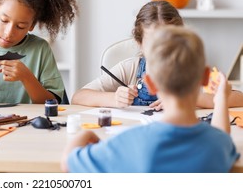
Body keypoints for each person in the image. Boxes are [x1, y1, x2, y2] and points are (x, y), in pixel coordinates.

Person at [62, 25, 240, 172]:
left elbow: (67, 164)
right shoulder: (218, 144)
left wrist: (86, 134)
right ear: (206, 76)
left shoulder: (128, 144)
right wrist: (221, 99)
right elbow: (222, 135)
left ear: (150, 83)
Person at [72, 0, 243, 109]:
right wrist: (114, 98)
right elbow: (78, 96)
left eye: (169, 41)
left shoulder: (191, 68)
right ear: (139, 42)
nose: (163, 50)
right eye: (154, 44)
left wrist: (189, 98)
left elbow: (238, 98)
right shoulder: (131, 68)